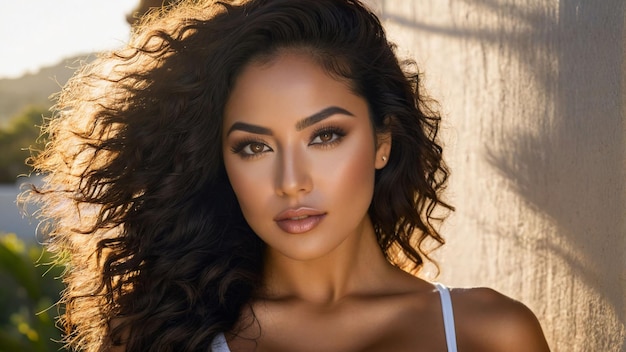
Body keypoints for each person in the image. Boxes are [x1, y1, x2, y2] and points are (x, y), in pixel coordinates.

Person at [25, 0, 551, 351]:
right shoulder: (167, 337)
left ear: (382, 142)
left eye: (325, 136)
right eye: (254, 147)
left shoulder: (492, 332)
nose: (291, 181)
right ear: (222, 164)